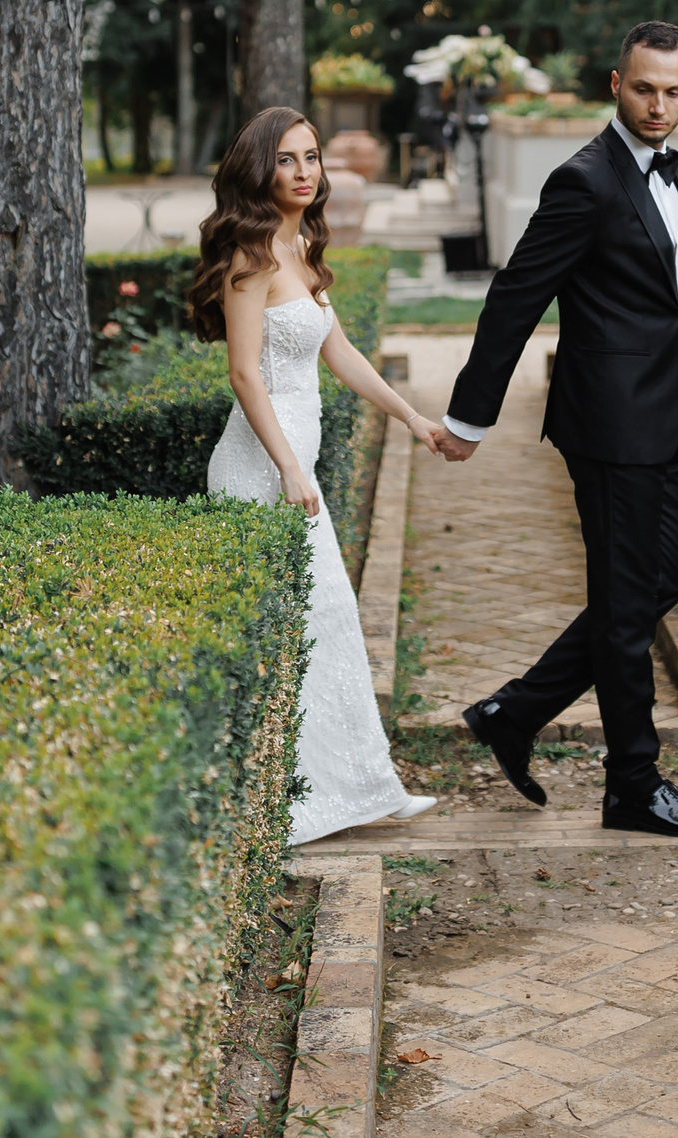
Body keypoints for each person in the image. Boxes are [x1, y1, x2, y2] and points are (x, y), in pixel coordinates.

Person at [433, 21, 678, 838]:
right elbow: (515, 295)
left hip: (663, 415)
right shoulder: (585, 180)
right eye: (645, 89)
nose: (659, 106)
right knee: (625, 602)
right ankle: (633, 784)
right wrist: (470, 416)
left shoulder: (674, 173)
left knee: (649, 586)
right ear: (615, 83)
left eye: (675, 91)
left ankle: (514, 711)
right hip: (608, 424)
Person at [192, 106, 444, 844]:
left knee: (326, 625)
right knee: (296, 627)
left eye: (312, 159)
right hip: (260, 468)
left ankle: (355, 787)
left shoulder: (298, 242)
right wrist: (290, 468)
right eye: (288, 161)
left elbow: (341, 355)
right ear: (260, 170)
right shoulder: (249, 258)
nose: (306, 174)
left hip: (293, 467)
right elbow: (244, 376)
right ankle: (291, 801)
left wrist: (412, 417)